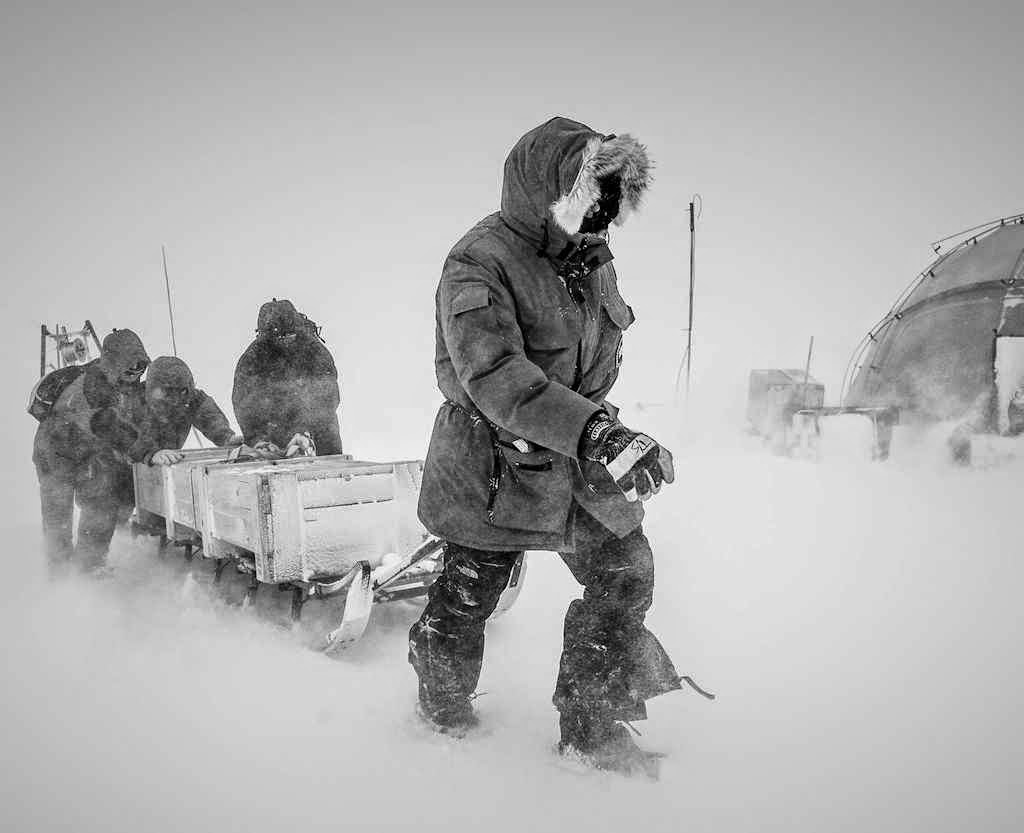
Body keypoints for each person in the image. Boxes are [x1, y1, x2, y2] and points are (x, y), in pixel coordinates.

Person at [410, 117, 684, 777]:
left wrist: (615, 435)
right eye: (594, 196)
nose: (606, 214)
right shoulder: (478, 261)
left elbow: (591, 365)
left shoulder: (592, 258)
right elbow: (496, 377)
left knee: (626, 570)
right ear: (552, 191)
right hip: (491, 463)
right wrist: (594, 430)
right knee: (470, 593)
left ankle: (591, 727)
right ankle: (438, 707)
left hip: (574, 459)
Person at [30, 328, 150, 573]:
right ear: (114, 363)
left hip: (88, 456)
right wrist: (145, 451)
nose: (135, 374)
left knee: (102, 504)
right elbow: (106, 423)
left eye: (140, 368)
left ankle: (90, 567)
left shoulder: (123, 386)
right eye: (130, 368)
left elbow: (127, 423)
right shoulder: (93, 383)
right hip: (54, 456)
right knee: (58, 518)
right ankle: (60, 574)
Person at [231, 299, 344, 457]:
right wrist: (257, 437)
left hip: (319, 434)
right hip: (270, 434)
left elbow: (328, 397)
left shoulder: (314, 351)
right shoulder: (253, 358)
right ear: (265, 334)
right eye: (278, 336)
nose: (285, 339)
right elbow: (243, 403)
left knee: (328, 466)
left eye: (289, 334)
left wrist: (306, 430)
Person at [129, 356, 243, 466]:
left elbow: (208, 417)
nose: (176, 400)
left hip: (166, 464)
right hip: (127, 472)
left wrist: (226, 438)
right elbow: (122, 439)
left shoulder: (190, 397)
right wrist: (150, 453)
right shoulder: (131, 402)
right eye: (168, 393)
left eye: (182, 392)